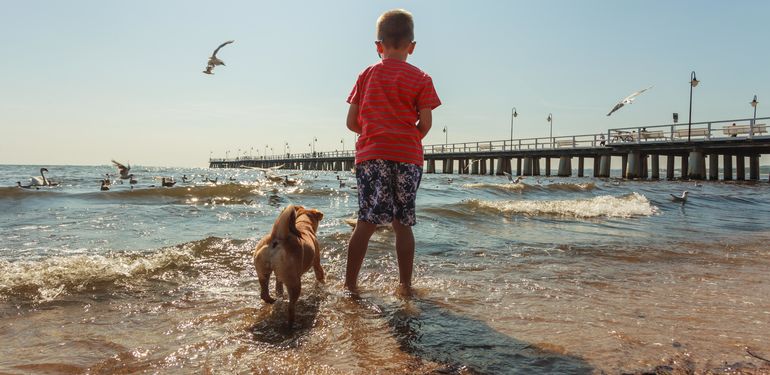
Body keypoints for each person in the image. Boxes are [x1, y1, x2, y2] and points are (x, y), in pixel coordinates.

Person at [344, 9, 441, 294]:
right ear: (411, 46)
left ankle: (350, 285)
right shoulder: (422, 78)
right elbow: (425, 124)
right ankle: (405, 285)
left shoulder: (366, 75)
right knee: (403, 224)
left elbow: (351, 122)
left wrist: (374, 134)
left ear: (378, 46)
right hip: (408, 158)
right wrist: (407, 139)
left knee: (365, 222)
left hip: (372, 156)